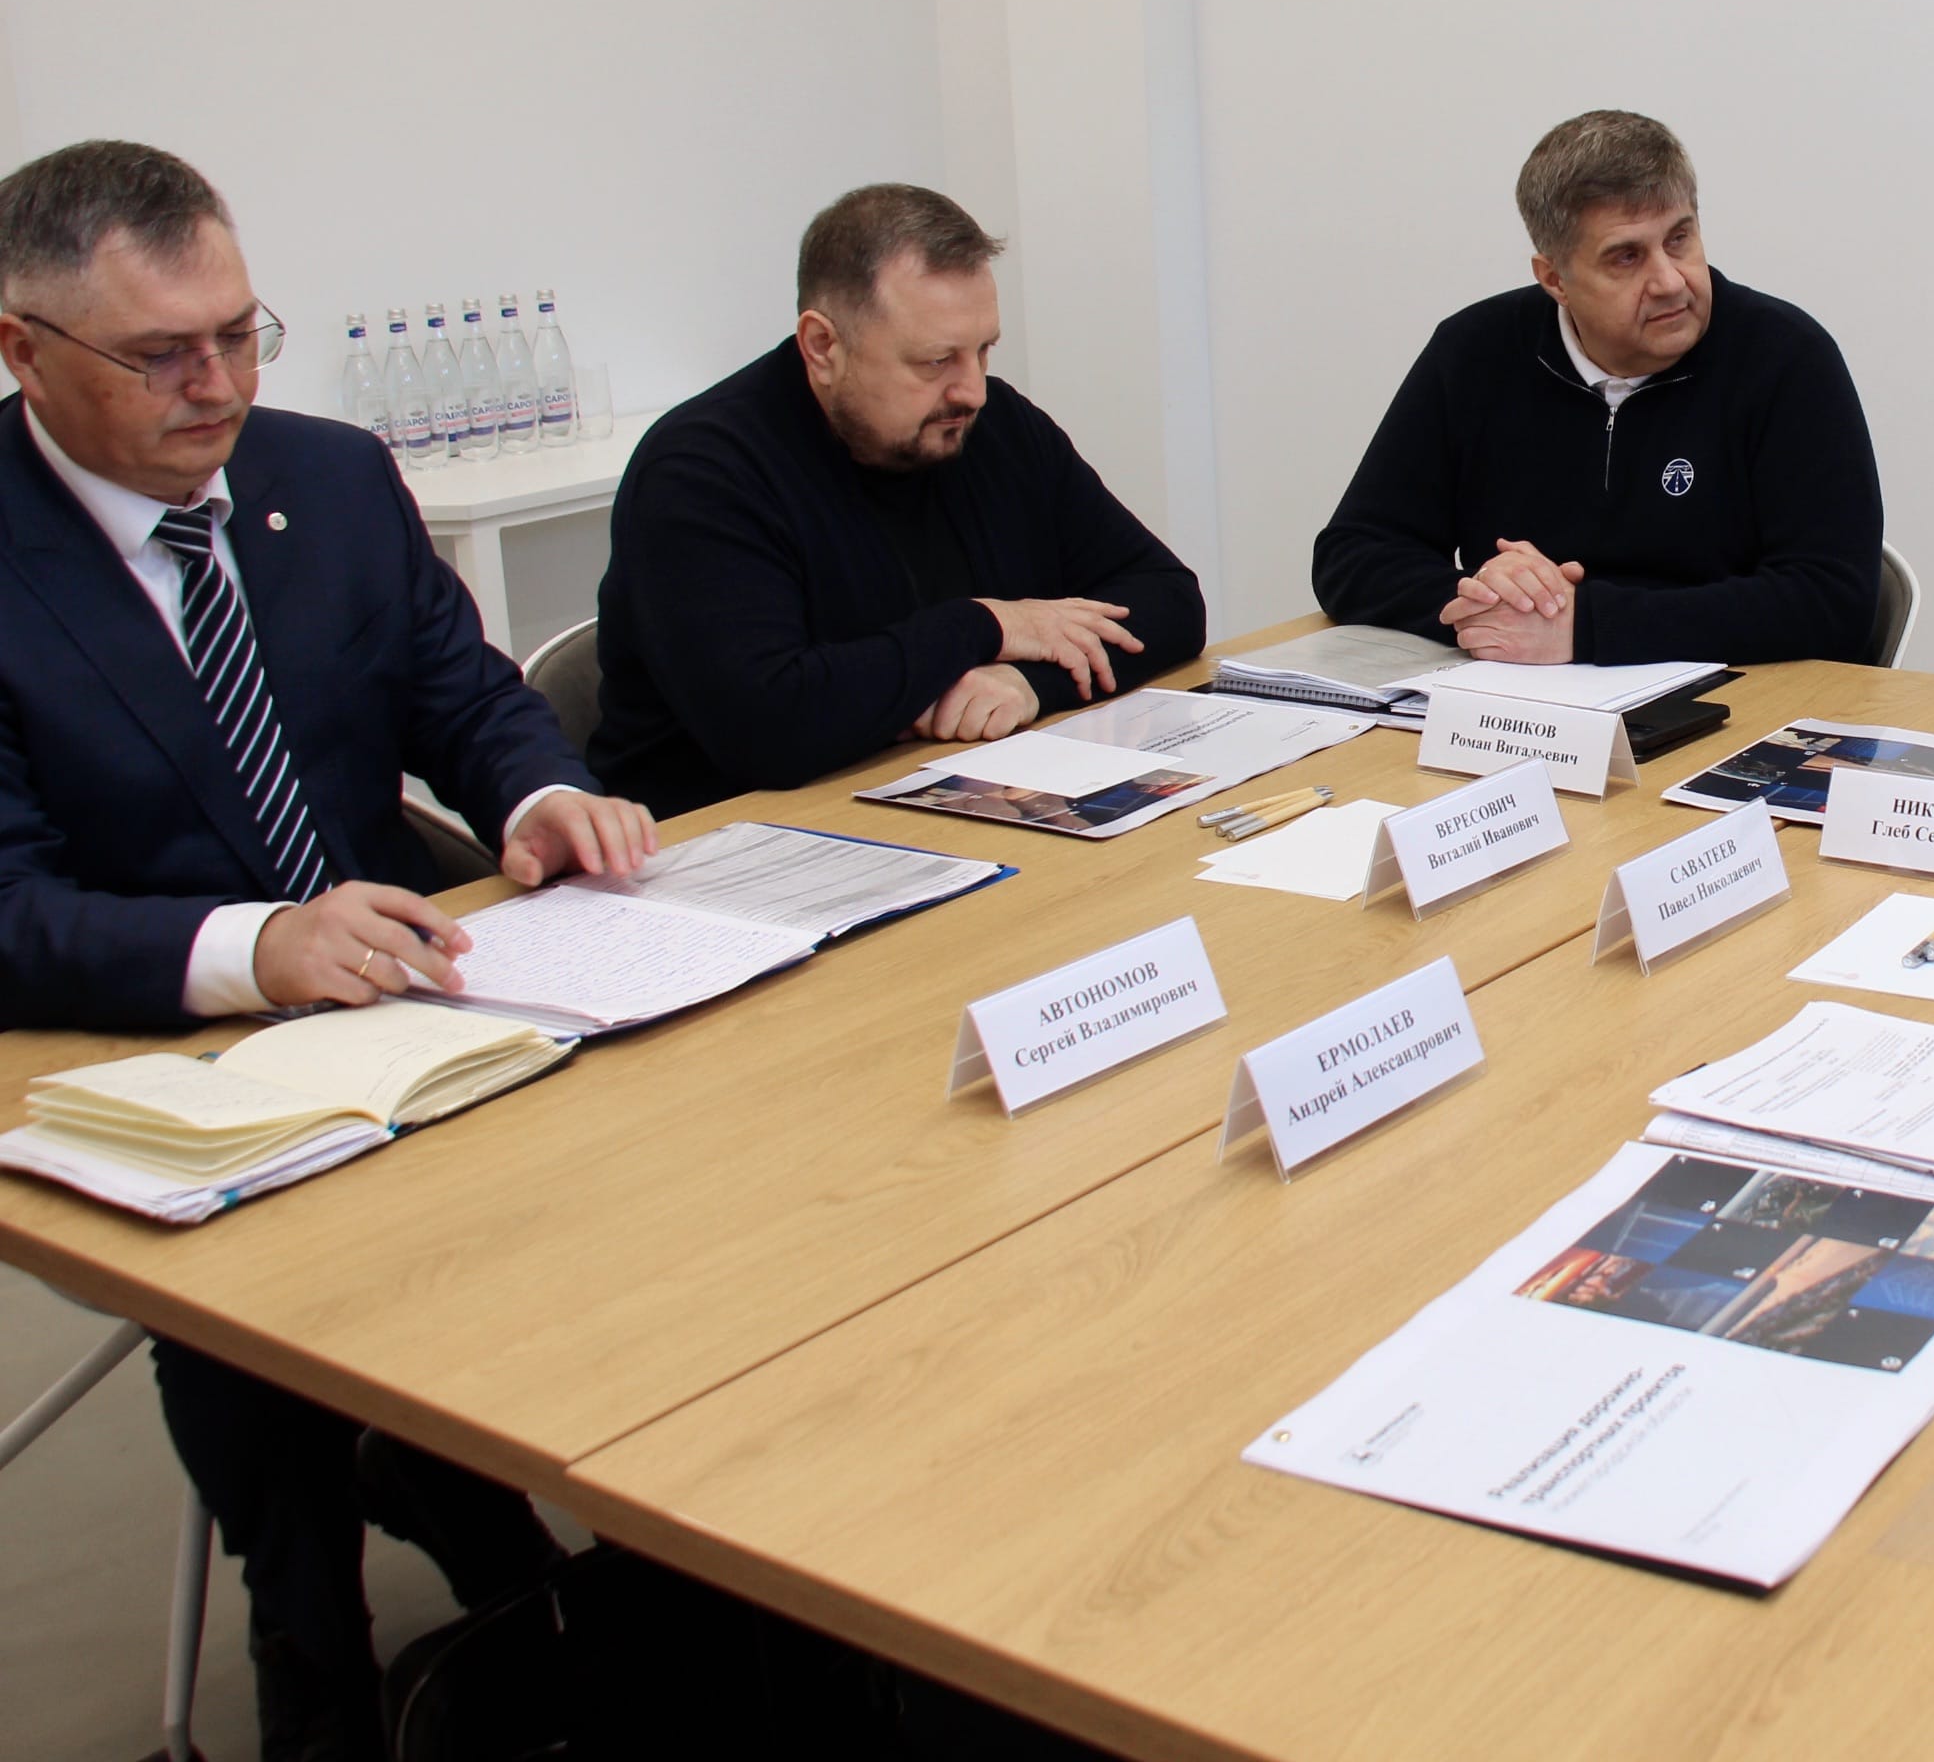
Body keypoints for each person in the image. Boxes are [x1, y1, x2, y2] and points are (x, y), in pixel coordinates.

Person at [0, 140, 658, 1758]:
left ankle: (530, 1542)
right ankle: (313, 1636)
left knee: (631, 1184)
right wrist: (255, 947)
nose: (220, 384)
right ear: (23, 348)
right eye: (162, 353)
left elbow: (464, 694)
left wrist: (543, 796)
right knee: (254, 1289)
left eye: (240, 332)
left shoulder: (334, 476)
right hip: (144, 1024)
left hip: (403, 982)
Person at [591, 184, 1208, 818]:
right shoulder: (702, 471)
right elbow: (769, 726)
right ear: (823, 347)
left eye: (983, 350)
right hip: (725, 836)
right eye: (935, 360)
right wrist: (988, 626)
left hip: (942, 799)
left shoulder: (995, 428)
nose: (973, 390)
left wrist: (1029, 680)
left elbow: (1169, 599)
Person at [1311, 109, 1884, 666]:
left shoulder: (1786, 357)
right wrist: (1487, 599)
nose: (1669, 281)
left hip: (1731, 701)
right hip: (1515, 701)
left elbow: (1833, 600)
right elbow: (1352, 554)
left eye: (1679, 239)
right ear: (1555, 279)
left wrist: (1585, 627)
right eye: (1626, 258)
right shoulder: (1474, 351)